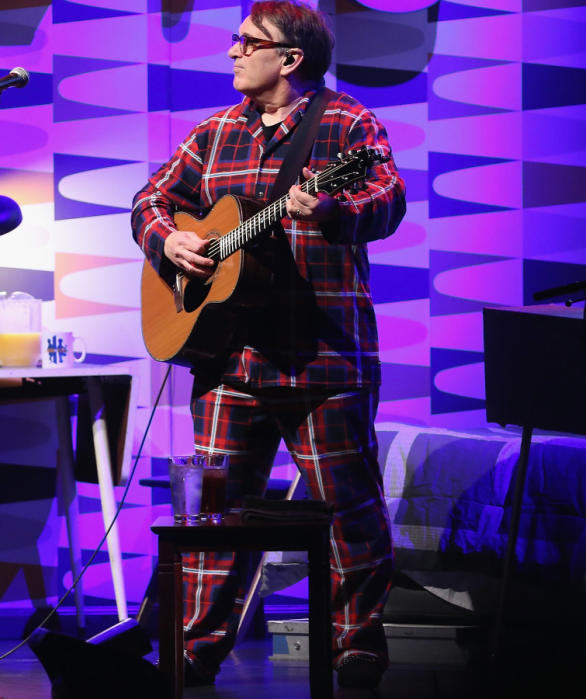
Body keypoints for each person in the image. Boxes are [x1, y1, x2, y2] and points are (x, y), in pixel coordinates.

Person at [131, 0, 405, 690]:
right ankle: (194, 653)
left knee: (348, 512)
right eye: (235, 40)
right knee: (214, 518)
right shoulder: (214, 132)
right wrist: (172, 240)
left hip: (324, 358)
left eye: (248, 42)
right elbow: (149, 201)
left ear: (291, 59)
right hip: (229, 359)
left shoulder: (345, 123)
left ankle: (356, 651)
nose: (232, 51)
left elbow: (387, 196)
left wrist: (338, 207)